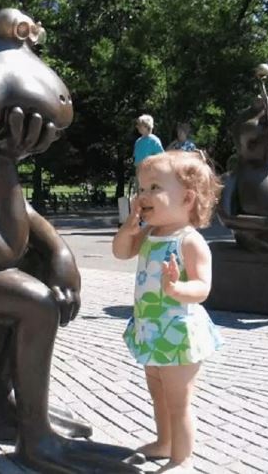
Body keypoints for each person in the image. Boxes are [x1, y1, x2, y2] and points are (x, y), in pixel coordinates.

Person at [112, 150, 223, 473]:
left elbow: (203, 288)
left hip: (178, 334)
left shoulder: (190, 241)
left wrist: (176, 289)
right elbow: (121, 252)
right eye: (142, 188)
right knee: (158, 395)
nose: (143, 196)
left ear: (187, 199)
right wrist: (129, 228)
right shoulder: (148, 233)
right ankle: (164, 443)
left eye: (154, 188)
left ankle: (182, 458)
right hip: (152, 331)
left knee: (179, 401)